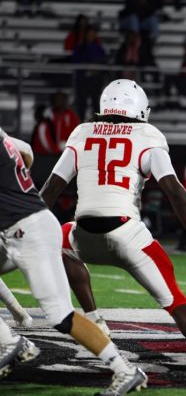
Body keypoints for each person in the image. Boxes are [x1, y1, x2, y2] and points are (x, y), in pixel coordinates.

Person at [39, 79, 186, 381]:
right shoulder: (147, 134)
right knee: (176, 301)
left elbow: (52, 187)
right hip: (128, 236)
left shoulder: (81, 131)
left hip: (84, 235)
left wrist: (27, 225)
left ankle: (94, 316)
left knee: (61, 237)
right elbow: (173, 190)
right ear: (139, 109)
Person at [0, 129, 147, 394]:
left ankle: (125, 370)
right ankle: (11, 340)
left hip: (29, 231)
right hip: (19, 228)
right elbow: (26, 153)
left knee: (60, 314)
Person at [71, 26, 107, 121]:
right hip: (82, 80)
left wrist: (96, 68)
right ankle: (80, 124)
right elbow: (76, 62)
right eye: (89, 34)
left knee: (96, 103)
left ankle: (98, 124)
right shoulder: (79, 48)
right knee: (81, 104)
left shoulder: (99, 48)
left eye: (93, 34)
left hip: (95, 81)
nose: (91, 36)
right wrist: (87, 68)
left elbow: (104, 63)